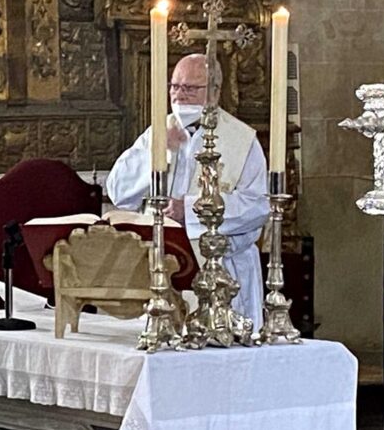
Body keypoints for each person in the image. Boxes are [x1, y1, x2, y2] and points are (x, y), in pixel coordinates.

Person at [105, 54, 268, 328]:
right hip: (162, 270)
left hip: (224, 270)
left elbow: (257, 206)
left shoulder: (242, 140)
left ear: (215, 92)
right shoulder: (159, 131)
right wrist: (157, 150)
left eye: (190, 88)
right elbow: (119, 191)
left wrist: (192, 210)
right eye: (174, 86)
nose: (179, 95)